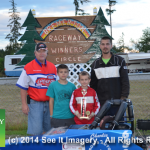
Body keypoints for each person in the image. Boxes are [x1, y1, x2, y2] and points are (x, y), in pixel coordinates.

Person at [16, 42, 57, 135]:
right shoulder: (28, 67)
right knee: (36, 131)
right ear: (35, 53)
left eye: (44, 51)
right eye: (39, 51)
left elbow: (56, 86)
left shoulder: (53, 67)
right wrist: (24, 104)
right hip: (35, 103)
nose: (41, 53)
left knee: (50, 130)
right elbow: (23, 87)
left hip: (50, 103)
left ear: (47, 53)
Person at [90, 36, 130, 116]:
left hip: (118, 102)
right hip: (102, 104)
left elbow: (125, 81)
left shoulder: (120, 61)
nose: (105, 46)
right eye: (103, 44)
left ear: (111, 46)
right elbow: (93, 85)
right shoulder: (95, 64)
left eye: (107, 44)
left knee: (119, 126)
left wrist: (123, 98)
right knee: (103, 127)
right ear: (100, 46)